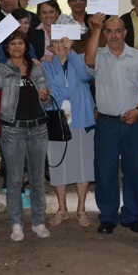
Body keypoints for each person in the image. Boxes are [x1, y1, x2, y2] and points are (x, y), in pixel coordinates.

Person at [85, 14, 138, 235]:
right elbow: (89, 62)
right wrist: (95, 28)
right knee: (105, 172)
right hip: (106, 124)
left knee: (134, 171)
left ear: (125, 33)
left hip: (134, 123)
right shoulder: (99, 56)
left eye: (118, 31)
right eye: (109, 31)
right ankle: (108, 217)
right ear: (105, 34)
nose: (114, 35)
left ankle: (132, 216)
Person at [0, 31, 51, 242]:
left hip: (39, 128)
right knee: (14, 180)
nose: (16, 47)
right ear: (6, 47)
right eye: (12, 43)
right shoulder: (1, 68)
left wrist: (46, 96)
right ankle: (16, 223)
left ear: (26, 46)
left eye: (20, 43)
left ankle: (38, 221)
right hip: (13, 129)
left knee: (37, 180)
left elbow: (47, 100)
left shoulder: (36, 67)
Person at [42, 37, 96, 228]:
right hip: (58, 120)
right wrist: (68, 91)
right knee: (58, 165)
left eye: (64, 43)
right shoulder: (46, 64)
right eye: (56, 43)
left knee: (84, 165)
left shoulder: (80, 59)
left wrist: (72, 53)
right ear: (51, 46)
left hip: (82, 118)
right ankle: (62, 209)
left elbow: (86, 76)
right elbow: (49, 89)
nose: (60, 47)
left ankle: (81, 209)